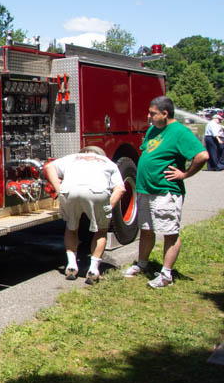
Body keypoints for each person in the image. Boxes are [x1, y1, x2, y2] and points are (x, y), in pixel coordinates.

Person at [123, 96, 208, 288]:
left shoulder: (179, 132)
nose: (149, 116)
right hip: (146, 190)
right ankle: (142, 264)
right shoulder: (155, 129)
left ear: (165, 113)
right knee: (146, 229)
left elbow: (202, 155)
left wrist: (184, 174)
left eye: (152, 113)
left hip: (165, 191)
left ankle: (166, 274)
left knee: (170, 233)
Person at [44, 146, 127, 285]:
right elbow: (121, 189)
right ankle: (93, 270)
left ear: (85, 152)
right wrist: (108, 207)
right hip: (97, 192)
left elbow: (48, 167)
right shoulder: (108, 162)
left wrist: (59, 189)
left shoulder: (71, 158)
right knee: (101, 230)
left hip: (69, 191)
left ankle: (71, 266)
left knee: (71, 228)